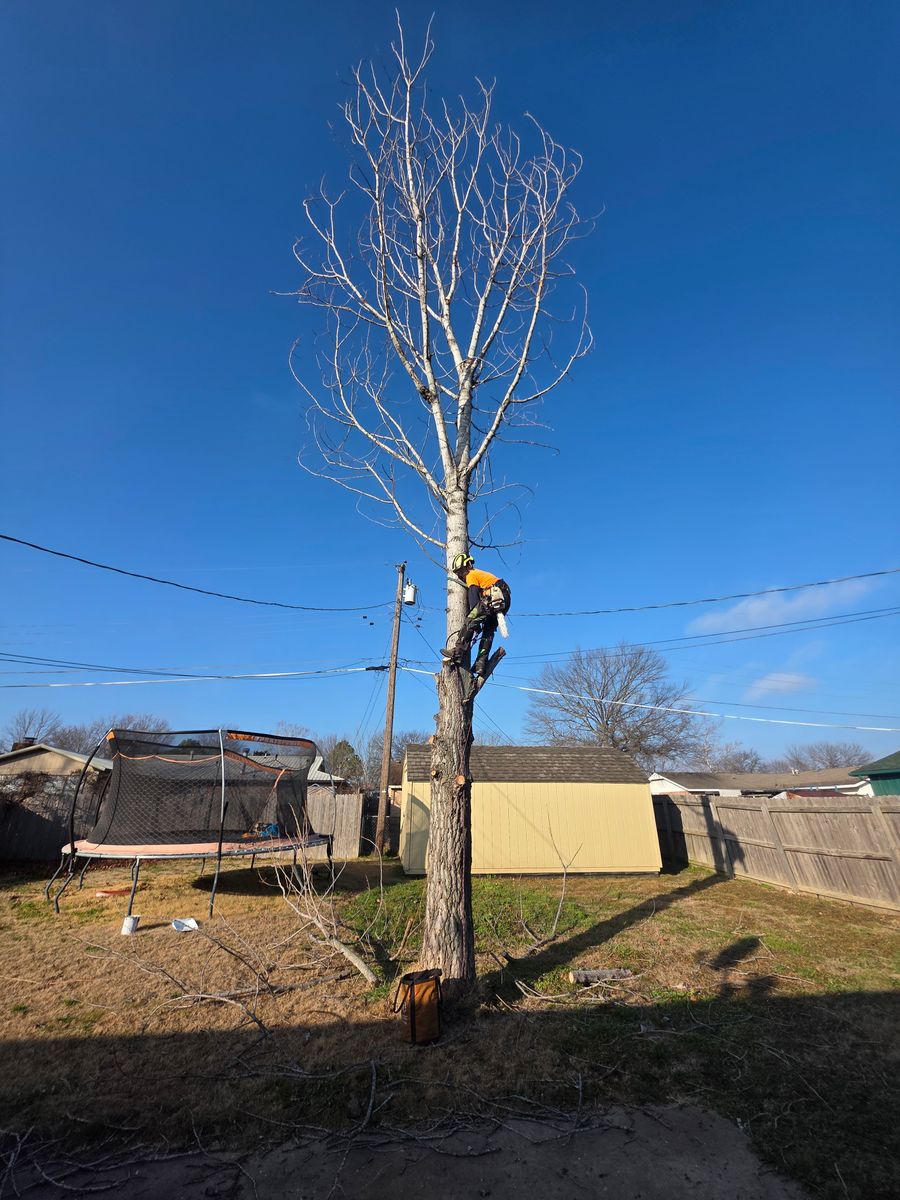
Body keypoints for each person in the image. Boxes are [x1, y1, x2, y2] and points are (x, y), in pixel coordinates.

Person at [441, 553, 511, 676]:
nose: (461, 575)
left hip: (495, 595)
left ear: (468, 565)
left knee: (471, 618)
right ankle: (480, 664)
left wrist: (474, 621)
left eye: (461, 571)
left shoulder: (471, 574)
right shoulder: (482, 577)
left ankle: (458, 651)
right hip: (503, 598)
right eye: (458, 573)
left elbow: (473, 599)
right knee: (488, 632)